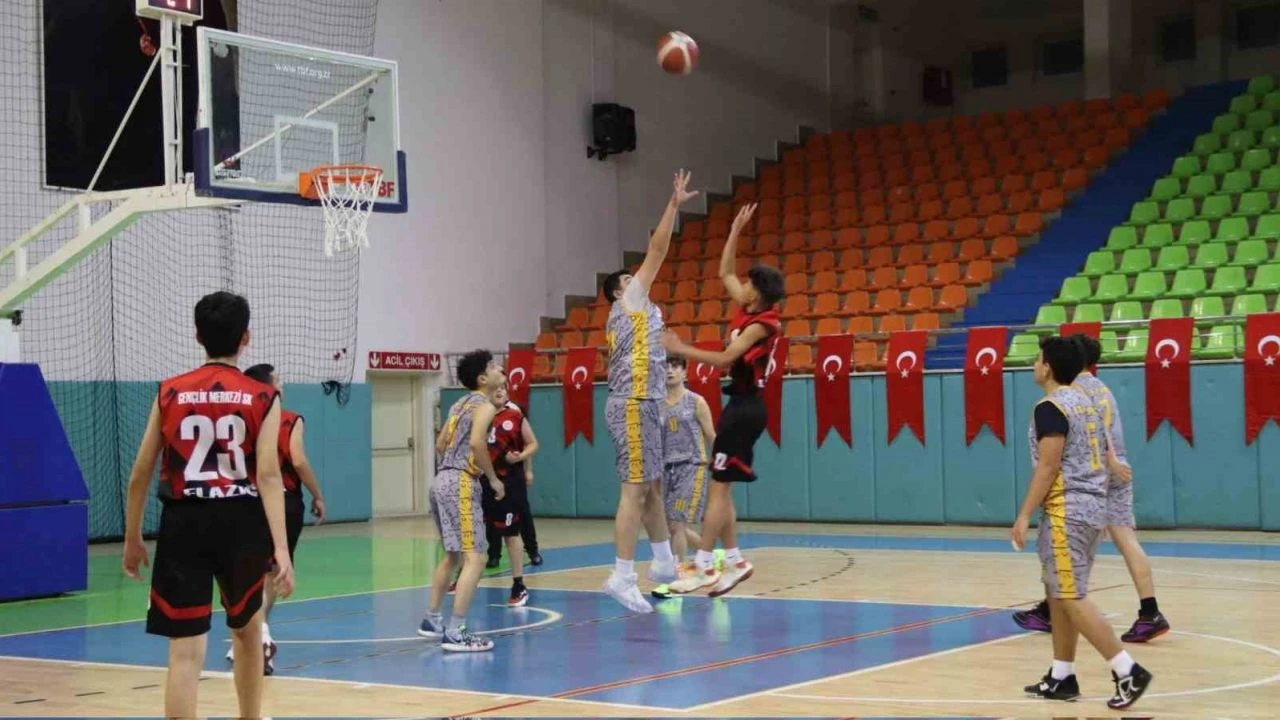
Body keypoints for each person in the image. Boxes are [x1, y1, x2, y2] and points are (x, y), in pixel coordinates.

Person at [121, 291, 295, 719]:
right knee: (248, 631)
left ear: (197, 336)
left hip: (184, 521)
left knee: (185, 650)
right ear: (246, 337)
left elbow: (140, 473)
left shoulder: (169, 392)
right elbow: (269, 476)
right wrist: (281, 547)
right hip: (241, 522)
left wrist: (132, 537)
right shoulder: (263, 396)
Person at [1011, 337, 1153, 710]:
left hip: (1068, 509)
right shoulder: (1086, 403)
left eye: (1038, 359)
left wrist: (1024, 514)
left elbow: (1048, 465)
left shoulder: (1051, 407)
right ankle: (1062, 675)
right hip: (1091, 506)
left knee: (1070, 594)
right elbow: (1106, 453)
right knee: (1058, 592)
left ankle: (1127, 670)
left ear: (1048, 368)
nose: (1034, 364)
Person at [662, 203, 785, 598]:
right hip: (740, 407)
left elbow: (724, 359)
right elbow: (725, 272)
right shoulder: (748, 310)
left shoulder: (763, 325)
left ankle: (703, 565)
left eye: (749, 283)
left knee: (717, 489)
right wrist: (735, 229)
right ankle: (733, 561)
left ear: (758, 292)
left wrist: (682, 348)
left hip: (747, 410)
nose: (740, 285)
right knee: (723, 488)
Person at [599, 169, 699, 613]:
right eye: (627, 277)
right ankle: (621, 576)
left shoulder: (643, 310)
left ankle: (662, 563)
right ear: (618, 292)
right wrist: (673, 205)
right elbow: (658, 250)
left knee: (652, 487)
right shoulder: (630, 301)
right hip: (633, 403)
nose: (636, 278)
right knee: (634, 492)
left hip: (646, 403)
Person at [223, 363, 326, 674]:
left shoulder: (235, 419)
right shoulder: (288, 419)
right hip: (281, 500)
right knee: (271, 573)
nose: (282, 385)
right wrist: (317, 494)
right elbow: (298, 460)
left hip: (241, 500)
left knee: (246, 573)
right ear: (267, 387)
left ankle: (245, 637)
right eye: (278, 380)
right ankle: (260, 635)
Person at [417, 349, 507, 652]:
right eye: (493, 366)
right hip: (460, 482)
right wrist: (492, 478)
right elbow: (477, 443)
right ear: (482, 378)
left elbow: (441, 442)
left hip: (440, 480)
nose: (500, 368)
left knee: (453, 555)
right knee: (476, 558)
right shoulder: (485, 406)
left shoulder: (458, 404)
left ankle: (432, 619)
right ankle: (456, 631)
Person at [650, 356, 717, 600]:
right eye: (666, 367)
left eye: (675, 367)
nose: (670, 371)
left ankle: (679, 579)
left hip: (692, 466)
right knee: (672, 526)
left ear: (685, 373)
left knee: (677, 524)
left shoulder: (696, 402)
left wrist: (721, 465)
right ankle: (710, 557)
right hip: (666, 470)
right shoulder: (656, 405)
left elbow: (711, 435)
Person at [483, 384, 535, 606]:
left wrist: (521, 457)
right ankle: (461, 577)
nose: (498, 391)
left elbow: (532, 443)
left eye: (502, 388)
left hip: (509, 481)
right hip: (483, 480)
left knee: (511, 533)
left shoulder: (515, 415)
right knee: (474, 532)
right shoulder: (479, 416)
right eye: (494, 388)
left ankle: (518, 584)